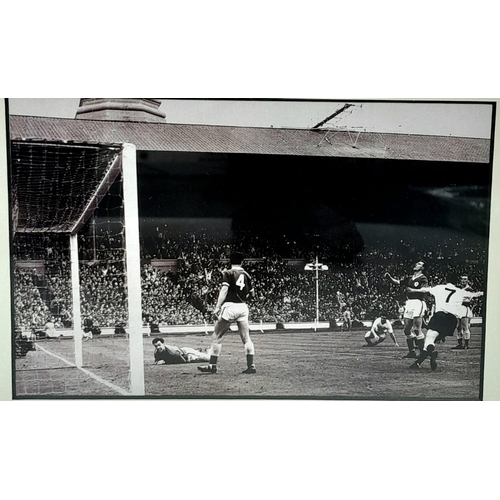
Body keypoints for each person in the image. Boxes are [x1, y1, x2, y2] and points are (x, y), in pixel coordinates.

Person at [407, 271, 483, 370]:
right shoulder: (460, 292)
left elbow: (424, 290)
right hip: (452, 320)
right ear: (457, 282)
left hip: (439, 316)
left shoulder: (439, 288)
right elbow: (476, 294)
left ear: (446, 280)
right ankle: (418, 363)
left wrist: (412, 290)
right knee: (435, 339)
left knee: (429, 339)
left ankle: (429, 351)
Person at [198, 252, 256, 374]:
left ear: (230, 261)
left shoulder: (228, 273)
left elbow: (224, 291)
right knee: (246, 338)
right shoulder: (246, 275)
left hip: (230, 307)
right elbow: (252, 294)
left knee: (217, 336)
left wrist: (217, 307)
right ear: (242, 262)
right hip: (243, 307)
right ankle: (251, 365)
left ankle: (212, 366)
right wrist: (243, 300)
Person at [385, 261, 428, 359]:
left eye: (419, 264)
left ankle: (423, 353)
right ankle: (412, 352)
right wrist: (389, 278)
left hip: (418, 302)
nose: (416, 265)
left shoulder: (423, 278)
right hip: (409, 303)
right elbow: (398, 282)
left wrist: (413, 290)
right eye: (416, 263)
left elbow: (425, 289)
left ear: (422, 268)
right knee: (407, 329)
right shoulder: (409, 278)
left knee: (417, 329)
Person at [451, 274, 474, 350]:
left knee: (465, 326)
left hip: (465, 308)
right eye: (462, 279)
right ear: (460, 280)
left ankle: (466, 344)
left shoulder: (469, 289)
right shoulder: (458, 288)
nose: (464, 280)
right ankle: (460, 344)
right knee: (458, 327)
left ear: (467, 280)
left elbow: (468, 300)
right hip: (458, 308)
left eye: (465, 279)